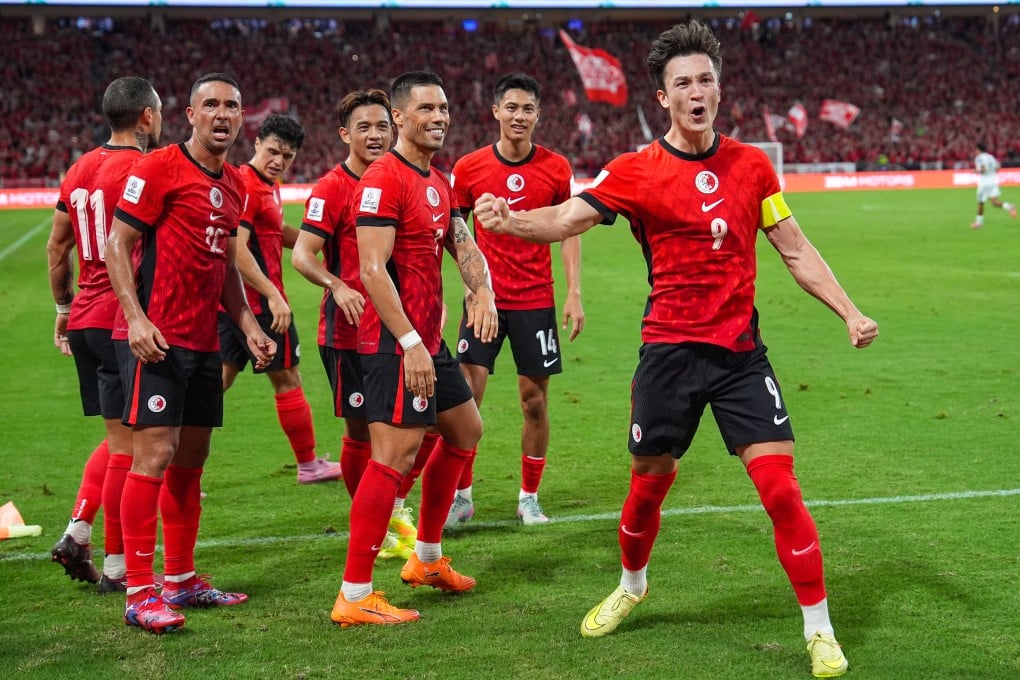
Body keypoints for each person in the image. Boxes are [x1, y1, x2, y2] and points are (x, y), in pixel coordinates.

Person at [473, 21, 878, 678]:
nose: (697, 91)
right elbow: (568, 218)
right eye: (683, 82)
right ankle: (633, 585)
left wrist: (851, 312)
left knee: (779, 487)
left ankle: (820, 629)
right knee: (647, 486)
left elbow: (796, 250)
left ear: (719, 89)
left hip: (741, 356)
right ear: (662, 97)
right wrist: (513, 221)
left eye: (706, 80)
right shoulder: (635, 170)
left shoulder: (753, 165)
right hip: (668, 357)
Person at [105, 72, 276, 634]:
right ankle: (138, 591)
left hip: (204, 342)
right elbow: (118, 243)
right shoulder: (157, 168)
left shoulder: (237, 187)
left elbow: (226, 265)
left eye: (233, 105)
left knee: (190, 463)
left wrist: (248, 322)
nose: (223, 114)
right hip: (158, 339)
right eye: (212, 105)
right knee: (152, 456)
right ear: (190, 114)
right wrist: (134, 317)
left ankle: (180, 579)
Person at [329, 71, 498, 627]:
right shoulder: (383, 178)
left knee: (465, 430)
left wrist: (483, 291)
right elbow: (373, 271)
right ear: (399, 117)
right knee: (393, 458)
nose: (440, 116)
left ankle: (425, 560)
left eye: (444, 107)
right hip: (390, 342)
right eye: (427, 108)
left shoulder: (436, 178)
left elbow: (460, 242)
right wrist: (409, 343)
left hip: (426, 338)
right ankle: (354, 594)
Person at [292, 88, 430, 560]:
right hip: (348, 329)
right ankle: (370, 522)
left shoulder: (400, 177)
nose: (375, 135)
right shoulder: (333, 187)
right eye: (363, 127)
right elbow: (301, 255)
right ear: (344, 134)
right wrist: (336, 284)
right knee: (359, 432)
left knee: (422, 427)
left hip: (395, 325)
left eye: (381, 126)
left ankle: (393, 508)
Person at [447, 73, 584, 528]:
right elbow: (455, 233)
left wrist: (574, 293)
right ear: (495, 112)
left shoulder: (556, 168)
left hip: (534, 301)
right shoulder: (467, 169)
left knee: (534, 403)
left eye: (527, 109)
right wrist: (470, 290)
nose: (519, 116)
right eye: (511, 107)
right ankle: (461, 495)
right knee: (468, 399)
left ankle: (528, 497)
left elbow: (568, 230)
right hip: (484, 301)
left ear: (538, 115)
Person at [46, 76, 163, 594]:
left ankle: (81, 533)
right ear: (146, 117)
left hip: (86, 318)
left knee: (119, 444)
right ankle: (118, 571)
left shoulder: (77, 169)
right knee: (134, 454)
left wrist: (63, 307)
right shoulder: (141, 169)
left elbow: (57, 248)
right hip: (123, 318)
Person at [220, 113, 341, 484]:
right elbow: (236, 249)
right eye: (272, 151)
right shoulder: (246, 185)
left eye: (286, 156)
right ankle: (308, 465)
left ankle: (176, 469)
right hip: (258, 304)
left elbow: (275, 231)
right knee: (288, 377)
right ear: (256, 144)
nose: (278, 161)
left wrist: (319, 239)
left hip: (233, 304)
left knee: (212, 385)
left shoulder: (266, 184)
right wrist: (273, 294)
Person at [970, 141, 1017, 229]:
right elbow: (998, 167)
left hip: (984, 183)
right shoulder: (990, 156)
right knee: (994, 202)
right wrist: (991, 172)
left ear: (978, 149)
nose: (974, 151)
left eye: (975, 149)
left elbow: (983, 169)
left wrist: (975, 171)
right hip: (994, 181)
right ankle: (1010, 207)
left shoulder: (979, 158)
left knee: (981, 203)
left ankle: (978, 223)